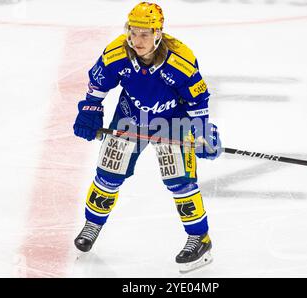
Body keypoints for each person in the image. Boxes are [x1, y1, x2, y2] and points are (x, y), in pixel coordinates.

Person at [72, 1, 222, 273]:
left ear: (158, 34)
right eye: (133, 31)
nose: (136, 39)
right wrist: (90, 110)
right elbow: (99, 83)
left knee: (180, 182)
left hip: (173, 120)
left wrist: (200, 131)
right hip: (131, 115)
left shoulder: (180, 60)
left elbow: (198, 98)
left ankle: (200, 239)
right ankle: (93, 224)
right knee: (108, 174)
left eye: (144, 34)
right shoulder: (118, 52)